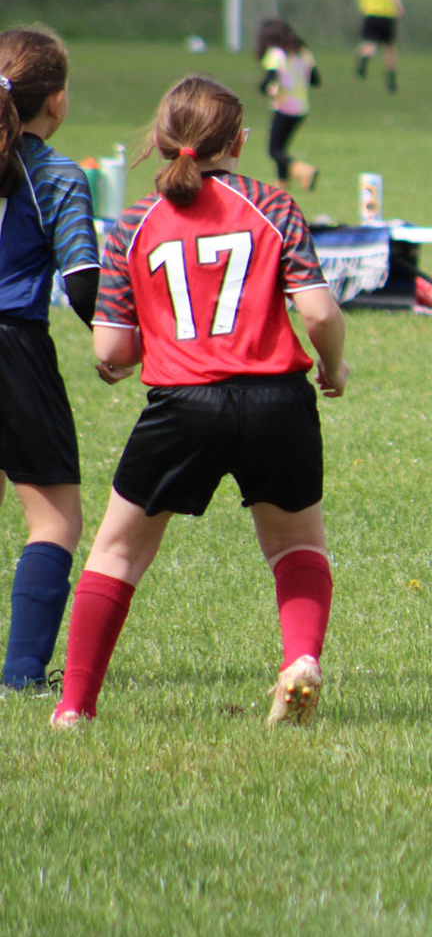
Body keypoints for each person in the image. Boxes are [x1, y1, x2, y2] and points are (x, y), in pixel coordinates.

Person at [50, 76, 349, 728]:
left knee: (118, 553)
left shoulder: (135, 222)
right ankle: (300, 660)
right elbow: (320, 313)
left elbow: (111, 349)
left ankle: (73, 707)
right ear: (238, 142)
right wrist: (333, 365)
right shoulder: (272, 204)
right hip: (277, 400)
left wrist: (130, 357)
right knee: (296, 543)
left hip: (183, 404)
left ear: (161, 140)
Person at [0, 28, 98, 694]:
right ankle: (22, 674)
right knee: (54, 519)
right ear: (56, 101)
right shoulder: (55, 174)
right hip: (14, 350)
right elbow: (84, 285)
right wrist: (123, 346)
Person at [256, 18, 320, 190]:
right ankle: (281, 184)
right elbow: (315, 80)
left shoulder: (276, 54)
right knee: (281, 148)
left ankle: (303, 170)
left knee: (274, 150)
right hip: (301, 108)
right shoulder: (304, 53)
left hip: (284, 107)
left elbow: (268, 81)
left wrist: (266, 89)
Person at [355, 0, 404, 94]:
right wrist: (399, 7)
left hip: (370, 13)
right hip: (387, 14)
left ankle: (364, 59)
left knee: (369, 42)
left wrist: (364, 8)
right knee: (389, 48)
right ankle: (391, 81)